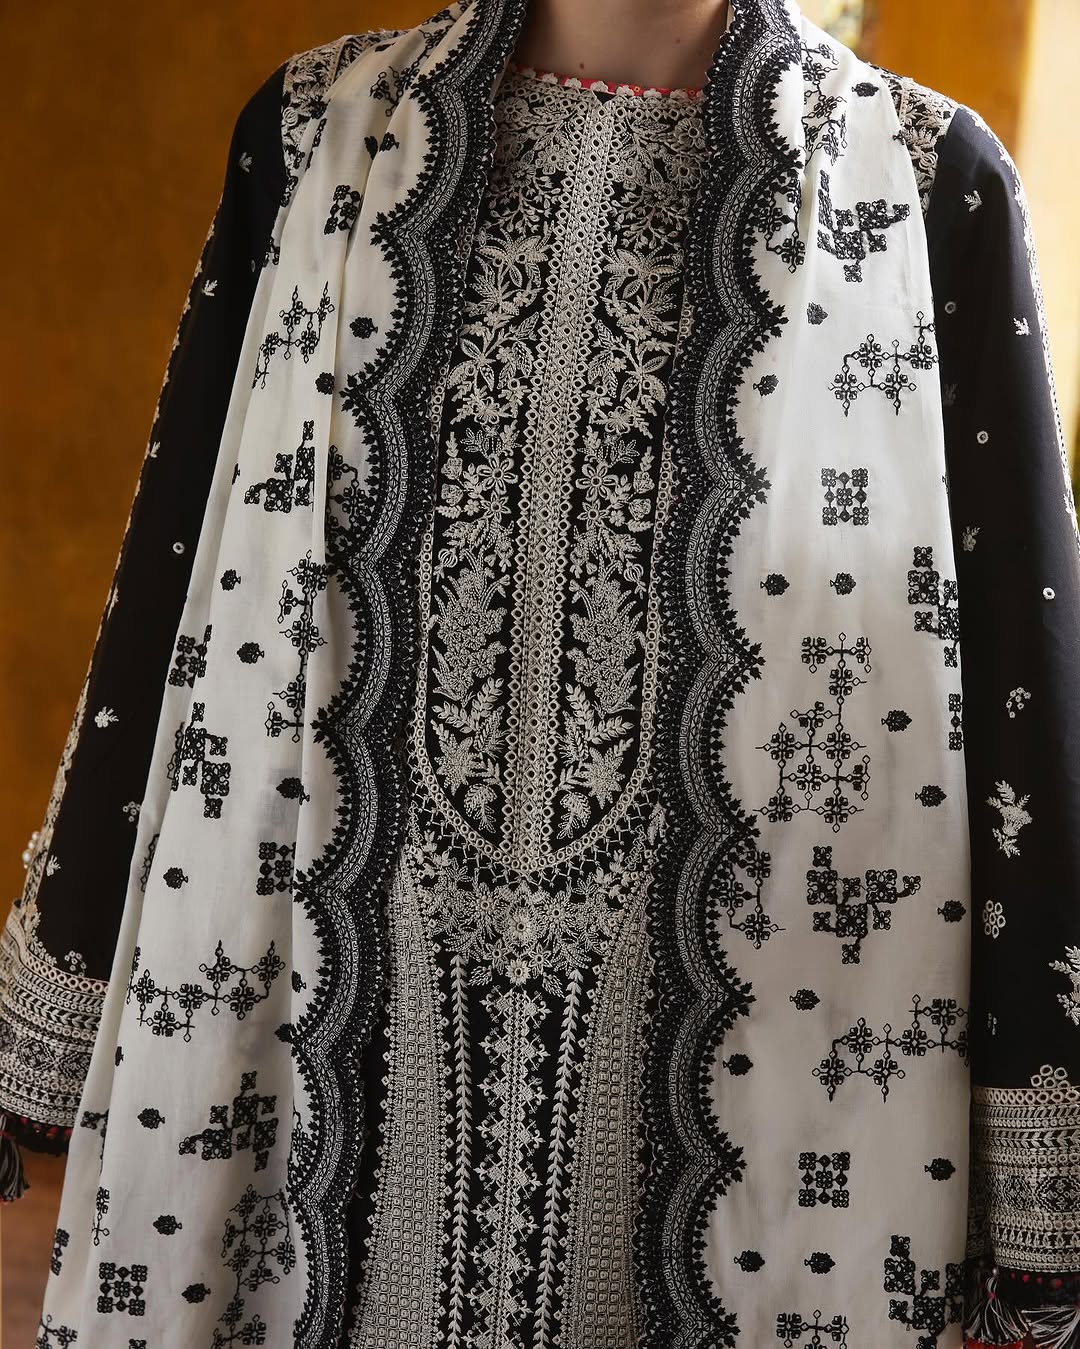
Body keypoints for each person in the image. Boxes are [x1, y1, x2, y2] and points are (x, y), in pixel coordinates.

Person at [4, 1, 1078, 1345]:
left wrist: (1039, 1120)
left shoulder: (922, 187)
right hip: (321, 1013)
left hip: (763, 1033)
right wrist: (69, 959)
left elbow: (1024, 670)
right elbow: (185, 561)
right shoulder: (320, 136)